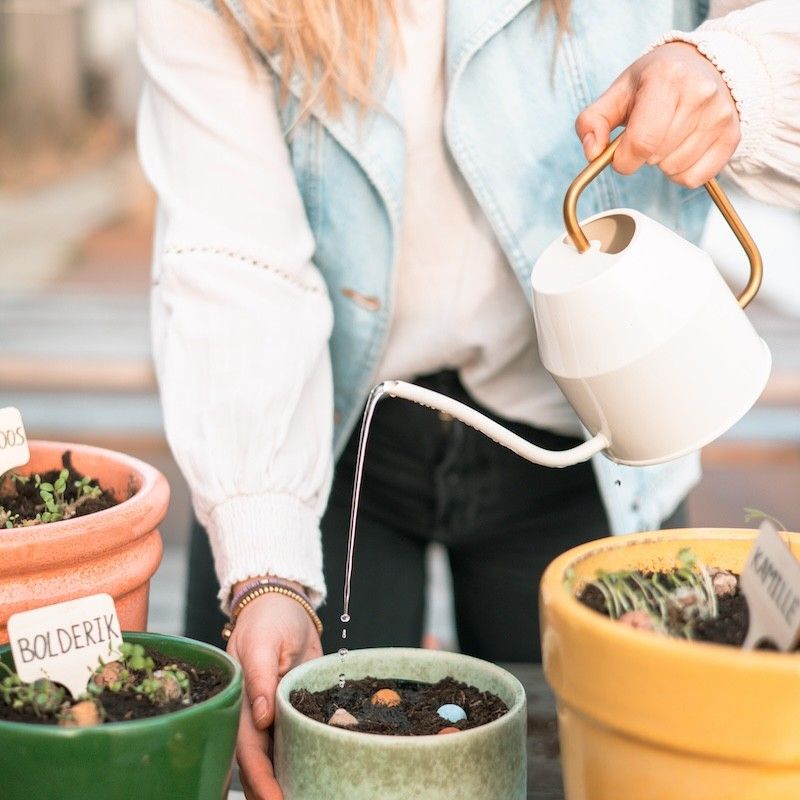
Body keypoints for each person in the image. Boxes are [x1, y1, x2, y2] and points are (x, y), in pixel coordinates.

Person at [136, 0, 800, 796]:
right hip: (325, 445)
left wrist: (744, 74)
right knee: (307, 761)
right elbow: (235, 262)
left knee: (620, 762)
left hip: (589, 441)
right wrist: (265, 568)